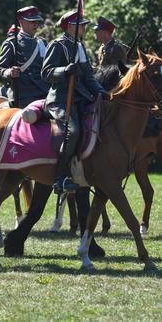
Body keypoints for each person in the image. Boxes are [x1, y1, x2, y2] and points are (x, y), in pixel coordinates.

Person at [41, 10, 108, 194]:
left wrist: (101, 92)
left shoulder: (80, 47)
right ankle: (60, 178)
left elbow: (88, 77)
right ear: (71, 26)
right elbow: (46, 73)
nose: (85, 28)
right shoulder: (57, 45)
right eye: (82, 25)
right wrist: (64, 70)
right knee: (73, 131)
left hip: (80, 99)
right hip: (61, 100)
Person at [0, 6, 51, 108]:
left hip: (44, 93)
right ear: (21, 22)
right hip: (23, 95)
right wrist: (9, 72)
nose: (36, 24)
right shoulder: (12, 43)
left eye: (37, 21)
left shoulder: (42, 42)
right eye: (32, 21)